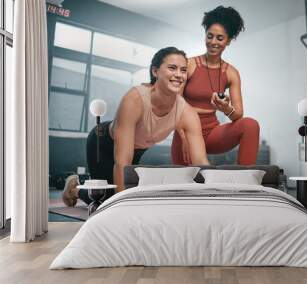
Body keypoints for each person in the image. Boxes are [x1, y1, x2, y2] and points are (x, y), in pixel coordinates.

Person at [62, 47, 209, 207]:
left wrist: (215, 193)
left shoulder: (186, 113)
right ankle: (75, 188)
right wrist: (123, 208)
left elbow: (201, 161)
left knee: (136, 193)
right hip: (103, 142)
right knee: (108, 199)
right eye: (172, 68)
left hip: (136, 150)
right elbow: (122, 162)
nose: (179, 74)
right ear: (155, 71)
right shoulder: (135, 99)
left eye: (183, 70)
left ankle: (89, 187)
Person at [171, 6, 260, 166]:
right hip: (186, 131)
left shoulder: (231, 73)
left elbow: (237, 114)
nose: (213, 42)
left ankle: (246, 181)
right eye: (210, 36)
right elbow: (174, 103)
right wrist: (182, 136)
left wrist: (226, 108)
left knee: (250, 125)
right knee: (188, 183)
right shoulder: (189, 64)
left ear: (228, 41)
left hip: (212, 132)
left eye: (220, 38)